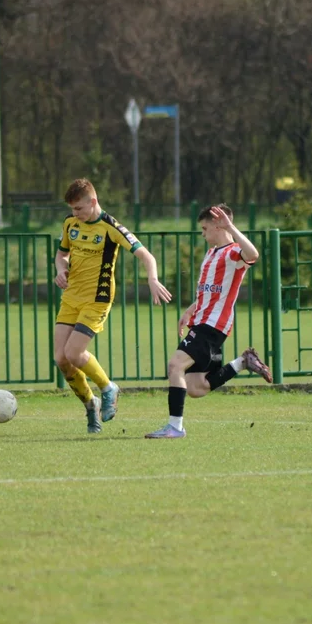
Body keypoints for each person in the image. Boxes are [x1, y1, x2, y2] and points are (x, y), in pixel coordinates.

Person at [54, 178, 172, 433]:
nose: (75, 214)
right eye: (72, 210)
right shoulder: (70, 223)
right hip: (71, 297)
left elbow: (146, 255)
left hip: (98, 298)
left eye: (79, 209)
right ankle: (90, 404)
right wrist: (61, 269)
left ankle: (109, 388)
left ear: (93, 202)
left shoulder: (111, 227)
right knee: (61, 359)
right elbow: (61, 253)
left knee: (74, 353)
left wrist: (152, 279)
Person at [146, 204, 272, 439]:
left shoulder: (233, 253)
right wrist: (190, 310)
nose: (202, 234)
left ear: (218, 225)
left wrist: (231, 227)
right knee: (196, 387)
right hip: (202, 321)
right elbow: (209, 291)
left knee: (175, 366)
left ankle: (175, 427)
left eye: (205, 228)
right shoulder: (212, 252)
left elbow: (253, 254)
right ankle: (242, 363)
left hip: (212, 325)